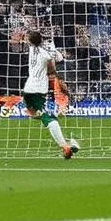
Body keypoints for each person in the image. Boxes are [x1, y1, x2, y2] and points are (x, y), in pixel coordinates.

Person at [22, 30, 80, 159]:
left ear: (30, 42)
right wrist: (60, 80)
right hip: (39, 89)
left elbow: (35, 40)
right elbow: (52, 69)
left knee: (33, 113)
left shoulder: (31, 49)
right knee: (48, 118)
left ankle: (64, 140)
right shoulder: (45, 55)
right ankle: (65, 147)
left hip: (27, 89)